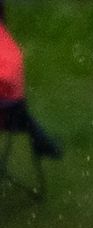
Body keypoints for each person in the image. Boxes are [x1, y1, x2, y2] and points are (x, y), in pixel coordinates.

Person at [0, 2, 65, 164]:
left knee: (19, 112)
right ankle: (41, 139)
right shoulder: (5, 40)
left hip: (7, 111)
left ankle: (41, 139)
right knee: (23, 115)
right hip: (14, 111)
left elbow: (9, 76)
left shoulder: (4, 43)